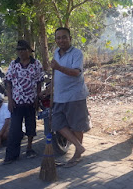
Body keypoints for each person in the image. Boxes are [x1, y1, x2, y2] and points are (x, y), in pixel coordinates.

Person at [50, 27, 91, 168]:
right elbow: (56, 74)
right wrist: (49, 89)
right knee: (56, 124)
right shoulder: (56, 52)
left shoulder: (77, 53)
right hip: (59, 96)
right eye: (58, 38)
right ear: (55, 40)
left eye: (64, 37)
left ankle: (76, 155)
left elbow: (76, 73)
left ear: (70, 38)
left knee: (76, 126)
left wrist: (59, 67)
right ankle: (79, 147)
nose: (61, 40)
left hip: (75, 96)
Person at [3, 40, 44, 164]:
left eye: (23, 50)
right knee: (14, 129)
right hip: (16, 102)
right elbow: (8, 83)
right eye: (19, 50)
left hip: (31, 101)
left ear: (29, 51)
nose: (20, 52)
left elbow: (39, 82)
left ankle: (29, 148)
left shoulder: (36, 64)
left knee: (31, 125)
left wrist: (37, 98)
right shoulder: (13, 64)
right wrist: (10, 101)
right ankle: (12, 155)